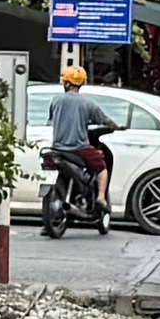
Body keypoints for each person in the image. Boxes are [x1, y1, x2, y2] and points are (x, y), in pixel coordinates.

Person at [44, 60, 113, 223]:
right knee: (102, 167)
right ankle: (101, 198)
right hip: (78, 148)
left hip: (57, 148)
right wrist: (117, 127)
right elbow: (105, 120)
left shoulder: (56, 100)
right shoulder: (88, 103)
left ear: (66, 83)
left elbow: (51, 120)